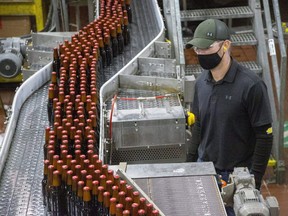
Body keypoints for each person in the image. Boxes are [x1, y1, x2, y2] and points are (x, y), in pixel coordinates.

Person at [185, 19, 273, 215]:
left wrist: (254, 182)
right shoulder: (201, 83)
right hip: (205, 168)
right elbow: (198, 125)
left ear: (226, 45)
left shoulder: (251, 86)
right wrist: (190, 165)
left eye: (206, 48)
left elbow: (265, 136)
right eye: (197, 49)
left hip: (237, 177)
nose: (200, 54)